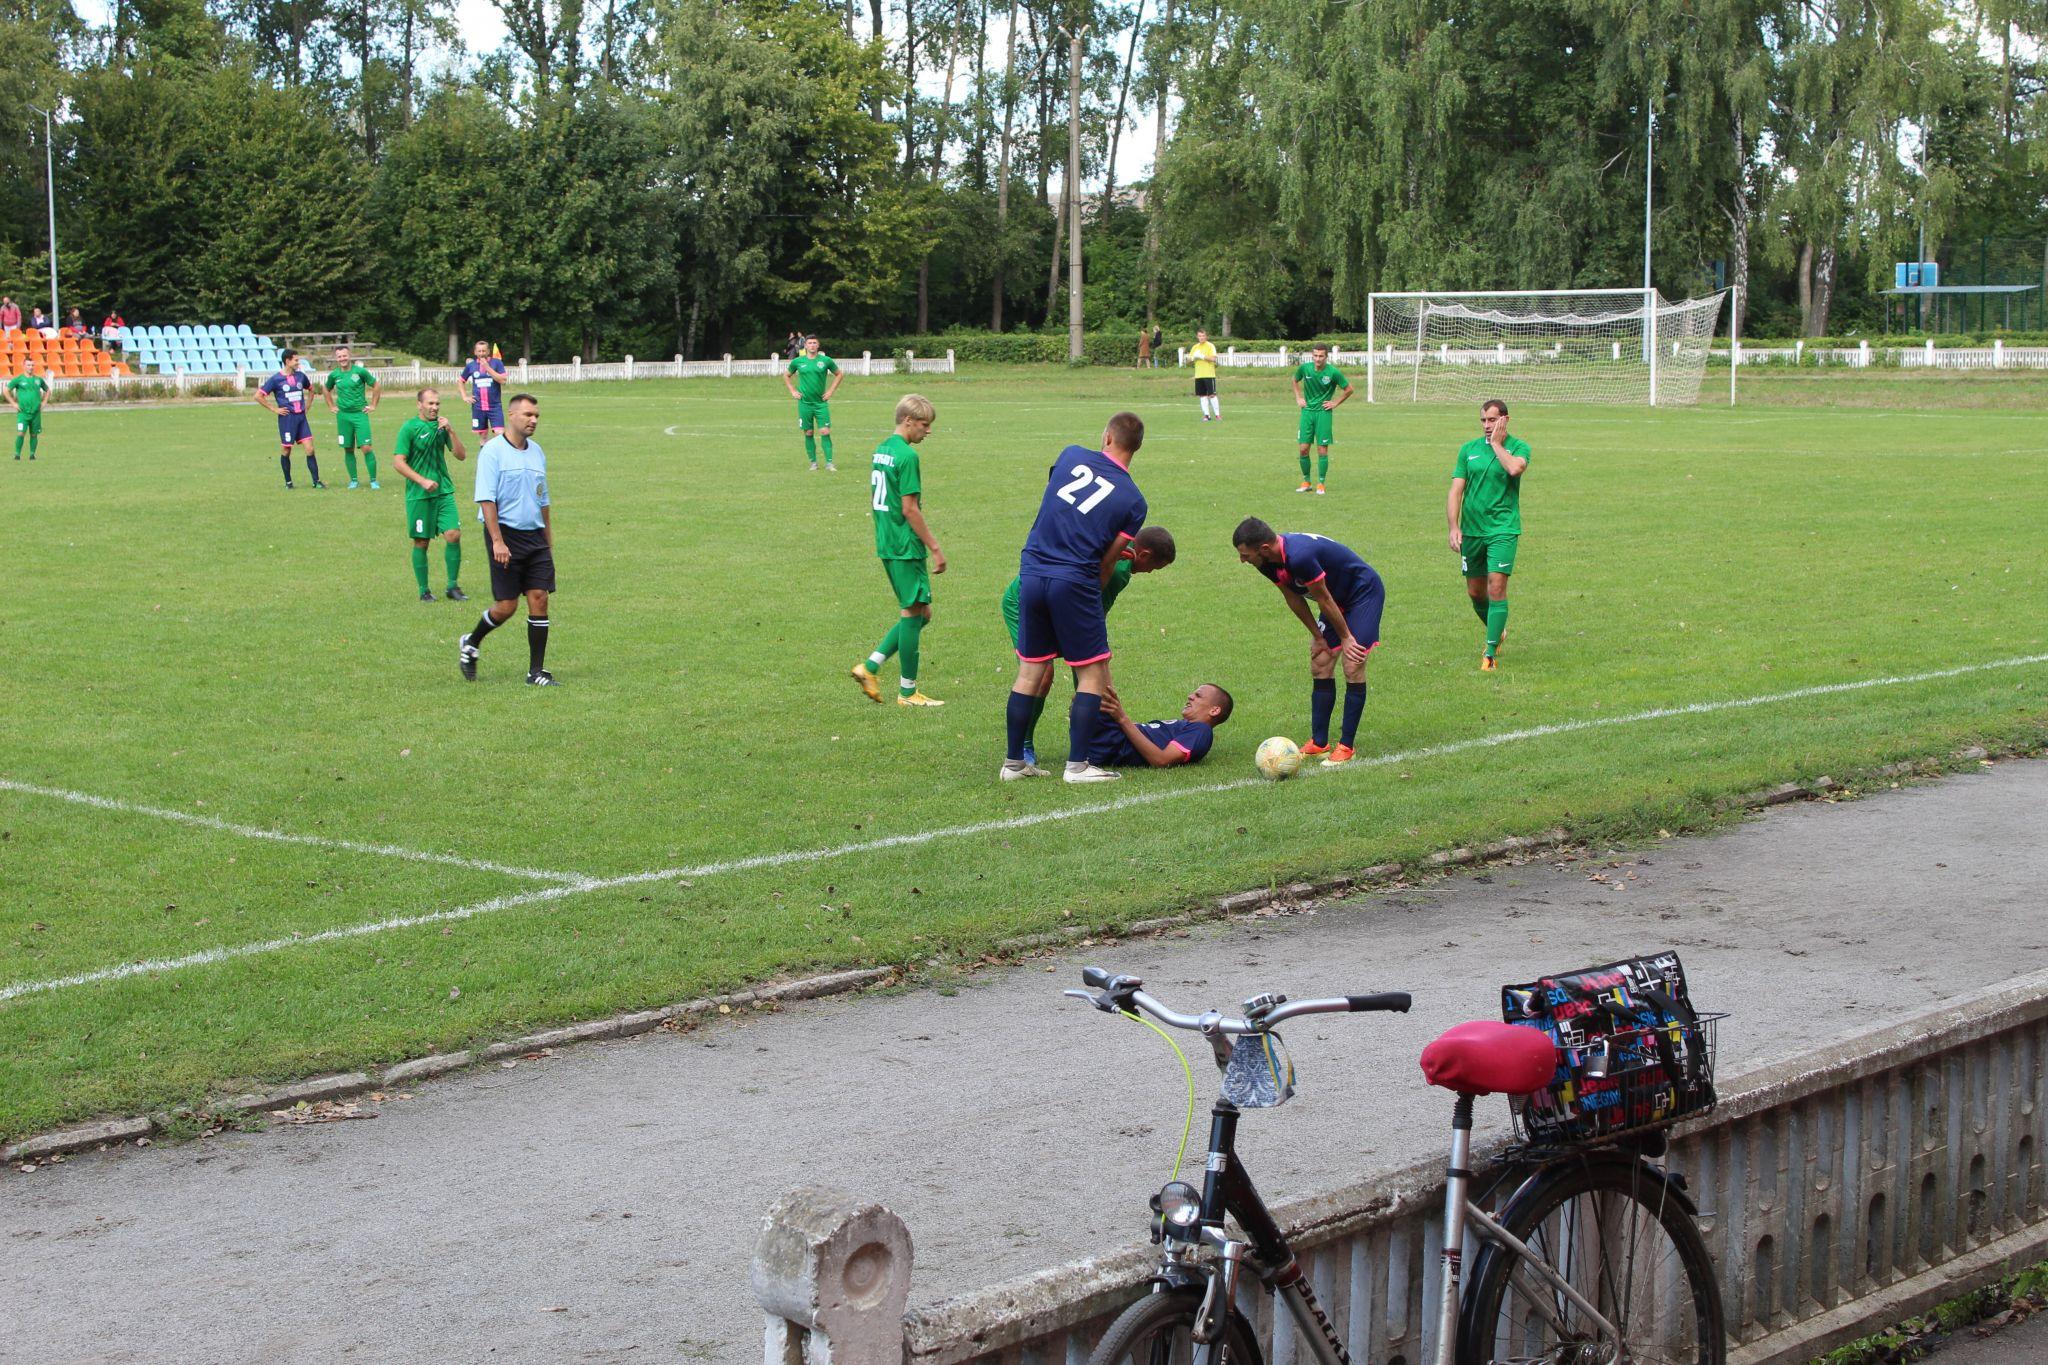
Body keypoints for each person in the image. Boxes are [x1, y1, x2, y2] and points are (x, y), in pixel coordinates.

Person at [1000, 412, 1149, 784]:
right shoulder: (1134, 501)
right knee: (1092, 671)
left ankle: (1013, 763)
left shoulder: (1069, 455)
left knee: (1030, 670)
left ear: (1106, 437)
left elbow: (1056, 500)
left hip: (1031, 571)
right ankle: (1078, 766)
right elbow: (1109, 560)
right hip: (1075, 579)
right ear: (1137, 448)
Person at [1000, 525, 1176, 766]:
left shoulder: (1118, 553)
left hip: (1057, 601)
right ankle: (1024, 746)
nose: (1150, 572)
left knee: (1087, 669)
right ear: (1144, 554)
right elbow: (1089, 620)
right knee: (1044, 673)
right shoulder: (1118, 571)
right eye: (1155, 567)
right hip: (1025, 599)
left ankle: (1088, 743)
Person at [1233, 517, 1385, 766]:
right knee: (1321, 661)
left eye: (1245, 554)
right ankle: (1319, 742)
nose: (1242, 560)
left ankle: (1346, 746)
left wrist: (1346, 638)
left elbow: (1323, 598)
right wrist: (1318, 637)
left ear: (1263, 548)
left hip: (1362, 593)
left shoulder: (1300, 556)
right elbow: (1293, 597)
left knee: (1353, 662)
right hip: (1334, 598)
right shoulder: (1266, 561)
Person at [851, 394, 945, 706]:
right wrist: (934, 546)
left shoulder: (882, 450)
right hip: (906, 546)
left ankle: (871, 666)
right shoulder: (907, 456)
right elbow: (910, 509)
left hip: (886, 541)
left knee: (922, 613)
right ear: (908, 421)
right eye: (924, 424)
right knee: (912, 612)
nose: (927, 431)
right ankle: (907, 692)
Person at [459, 394, 555, 685]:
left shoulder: (537, 451)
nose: (533, 420)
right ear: (511, 416)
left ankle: (535, 672)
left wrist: (548, 541)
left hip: (535, 535)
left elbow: (543, 499)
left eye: (536, 415)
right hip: (505, 534)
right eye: (528, 414)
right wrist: (497, 541)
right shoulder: (492, 452)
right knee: (507, 606)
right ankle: (472, 642)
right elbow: (487, 499)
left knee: (539, 598)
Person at [1448, 398, 1531, 671]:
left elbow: (1515, 468)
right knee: (1475, 592)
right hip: (1471, 532)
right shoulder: (1467, 450)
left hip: (1502, 530)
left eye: (1492, 420)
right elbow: (1456, 490)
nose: (1487, 425)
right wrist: (1453, 526)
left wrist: (1496, 444)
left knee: (1496, 587)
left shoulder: (1519, 447)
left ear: (1505, 419)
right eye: (1483, 420)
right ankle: (1498, 630)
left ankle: (1490, 653)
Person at [392, 387, 470, 603]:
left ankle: (453, 587)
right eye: (430, 403)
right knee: (421, 542)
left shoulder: (442, 427)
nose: (434, 407)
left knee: (453, 534)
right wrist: (422, 480)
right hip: (419, 494)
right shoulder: (409, 428)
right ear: (419, 405)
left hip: (444, 490)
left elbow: (462, 456)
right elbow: (398, 462)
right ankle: (424, 590)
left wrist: (451, 431)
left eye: (437, 404)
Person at [1088, 684, 1233, 768]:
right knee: (1092, 686)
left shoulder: (1201, 730)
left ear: (1214, 710)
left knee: (1093, 686)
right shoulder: (1187, 726)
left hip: (1113, 744)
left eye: (1198, 696)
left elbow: (1161, 760)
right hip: (1112, 737)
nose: (1190, 696)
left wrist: (1121, 718)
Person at [255, 349, 324, 489]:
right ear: (287, 361)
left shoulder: (301, 376)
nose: (298, 362)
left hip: (301, 418)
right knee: (286, 450)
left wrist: (308, 406)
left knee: (310, 449)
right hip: (287, 419)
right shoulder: (276, 379)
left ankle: (316, 482)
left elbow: (311, 390)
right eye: (296, 360)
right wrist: (274, 409)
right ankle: (288, 482)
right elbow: (258, 396)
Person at [1291, 343, 1353, 495]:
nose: (1317, 359)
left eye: (1321, 356)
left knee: (1322, 449)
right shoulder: (1305, 369)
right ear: (1312, 356)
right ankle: (1306, 482)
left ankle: (1321, 484)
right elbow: (1294, 379)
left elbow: (1349, 389)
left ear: (1326, 357)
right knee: (1303, 448)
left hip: (1323, 413)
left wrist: (1335, 403)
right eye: (1315, 356)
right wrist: (1298, 397)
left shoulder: (1332, 372)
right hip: (1307, 413)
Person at [323, 343, 381, 489]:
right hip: (343, 416)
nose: (342, 358)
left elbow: (376, 385)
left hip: (360, 414)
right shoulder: (334, 375)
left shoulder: (360, 372)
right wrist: (331, 406)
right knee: (348, 448)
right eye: (339, 356)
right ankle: (354, 480)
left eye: (344, 355)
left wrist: (373, 405)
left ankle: (373, 480)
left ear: (350, 356)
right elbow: (325, 389)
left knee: (366, 447)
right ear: (336, 358)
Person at [784, 334, 843, 471]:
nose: (812, 345)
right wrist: (793, 391)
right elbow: (786, 375)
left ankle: (829, 463)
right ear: (805, 345)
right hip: (804, 404)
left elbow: (839, 374)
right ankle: (813, 463)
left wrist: (830, 392)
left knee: (825, 431)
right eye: (809, 343)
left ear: (818, 345)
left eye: (814, 343)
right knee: (809, 433)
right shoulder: (798, 362)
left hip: (820, 404)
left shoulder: (826, 361)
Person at [459, 341, 508, 440]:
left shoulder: (496, 363)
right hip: (478, 406)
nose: (481, 353)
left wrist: (487, 367)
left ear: (488, 351)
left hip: (494, 406)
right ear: (475, 352)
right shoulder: (471, 366)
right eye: (479, 351)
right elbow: (461, 381)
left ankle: (497, 455)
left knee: (499, 435)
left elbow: (503, 380)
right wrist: (464, 396)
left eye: (484, 351)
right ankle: (484, 455)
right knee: (483, 437)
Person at [5, 357, 50, 460]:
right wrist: (13, 404)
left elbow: (48, 390)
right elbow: (6, 391)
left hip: (35, 413)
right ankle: (17, 454)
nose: (31, 367)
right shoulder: (19, 379)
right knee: (21, 433)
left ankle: (32, 454)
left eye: (32, 365)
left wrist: (44, 402)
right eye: (28, 365)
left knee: (34, 434)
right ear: (24, 366)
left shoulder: (38, 380)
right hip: (23, 413)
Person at [1189, 329, 1220, 421]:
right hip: (1198, 375)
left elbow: (1213, 358)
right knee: (1202, 396)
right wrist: (1194, 357)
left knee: (1212, 395)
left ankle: (1217, 415)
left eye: (1203, 336)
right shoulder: (1195, 347)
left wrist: (1202, 356)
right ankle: (1207, 415)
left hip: (1209, 374)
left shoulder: (1210, 346)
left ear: (1206, 336)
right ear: (1197, 337)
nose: (1201, 338)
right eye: (1200, 336)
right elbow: (1189, 360)